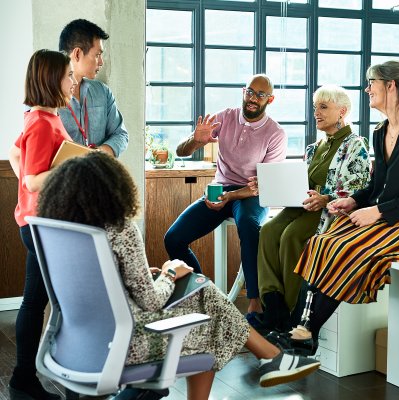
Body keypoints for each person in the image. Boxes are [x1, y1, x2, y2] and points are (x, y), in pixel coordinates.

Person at [36, 152, 320, 400]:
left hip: (74, 341)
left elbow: (94, 281)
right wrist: (169, 274)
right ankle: (271, 357)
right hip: (127, 341)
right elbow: (149, 300)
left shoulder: (62, 231)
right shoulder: (121, 230)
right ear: (113, 189)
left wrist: (140, 274)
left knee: (200, 287)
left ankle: (270, 357)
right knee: (209, 327)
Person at [272, 60, 399, 355]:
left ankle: (305, 333)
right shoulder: (381, 132)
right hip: (390, 218)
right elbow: (378, 186)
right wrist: (354, 201)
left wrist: (376, 212)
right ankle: (298, 328)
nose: (367, 89)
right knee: (321, 242)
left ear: (390, 86)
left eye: (371, 82)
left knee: (347, 248)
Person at [164, 74, 286, 318]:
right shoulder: (225, 117)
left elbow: (264, 185)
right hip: (220, 188)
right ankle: (203, 295)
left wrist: (232, 197)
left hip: (251, 194)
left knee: (250, 227)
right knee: (173, 238)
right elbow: (181, 151)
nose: (253, 98)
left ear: (269, 100)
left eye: (260, 95)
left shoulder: (275, 133)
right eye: (249, 92)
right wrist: (196, 141)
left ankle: (254, 302)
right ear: (243, 92)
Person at [254, 85, 371, 333]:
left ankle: (290, 311)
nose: (316, 112)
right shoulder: (314, 147)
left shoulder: (355, 144)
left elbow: (359, 187)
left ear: (342, 112)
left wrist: (325, 197)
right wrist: (272, 185)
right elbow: (300, 182)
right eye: (315, 106)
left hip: (328, 211)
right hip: (302, 205)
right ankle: (272, 304)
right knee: (267, 231)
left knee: (291, 236)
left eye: (323, 107)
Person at [7, 49, 76, 400]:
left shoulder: (39, 117)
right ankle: (63, 377)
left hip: (37, 222)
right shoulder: (40, 121)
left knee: (36, 301)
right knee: (52, 302)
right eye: (68, 76)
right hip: (41, 226)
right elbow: (34, 180)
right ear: (51, 79)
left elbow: (16, 156)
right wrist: (73, 166)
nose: (72, 81)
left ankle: (26, 380)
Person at [58, 19, 128, 156]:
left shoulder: (103, 92)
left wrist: (99, 154)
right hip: (64, 176)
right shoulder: (46, 97)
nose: (101, 62)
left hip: (99, 174)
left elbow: (120, 134)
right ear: (77, 54)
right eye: (97, 55)